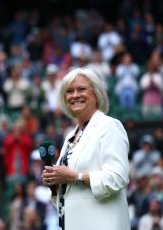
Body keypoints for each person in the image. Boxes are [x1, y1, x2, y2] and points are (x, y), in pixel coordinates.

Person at [42, 67, 130, 230]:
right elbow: (70, 192)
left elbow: (118, 177)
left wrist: (76, 177)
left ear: (96, 94)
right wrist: (55, 182)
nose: (75, 95)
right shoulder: (70, 136)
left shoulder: (109, 126)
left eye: (81, 89)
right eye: (69, 91)